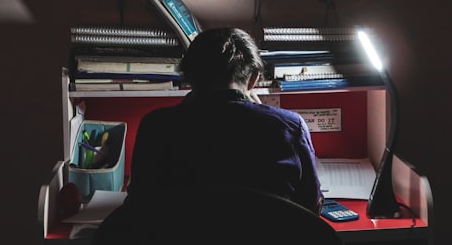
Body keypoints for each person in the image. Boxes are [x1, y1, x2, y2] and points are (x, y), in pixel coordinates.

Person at [126, 27, 324, 215]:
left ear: (190, 79)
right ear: (253, 79)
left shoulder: (156, 126)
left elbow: (139, 201)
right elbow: (311, 206)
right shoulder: (288, 126)